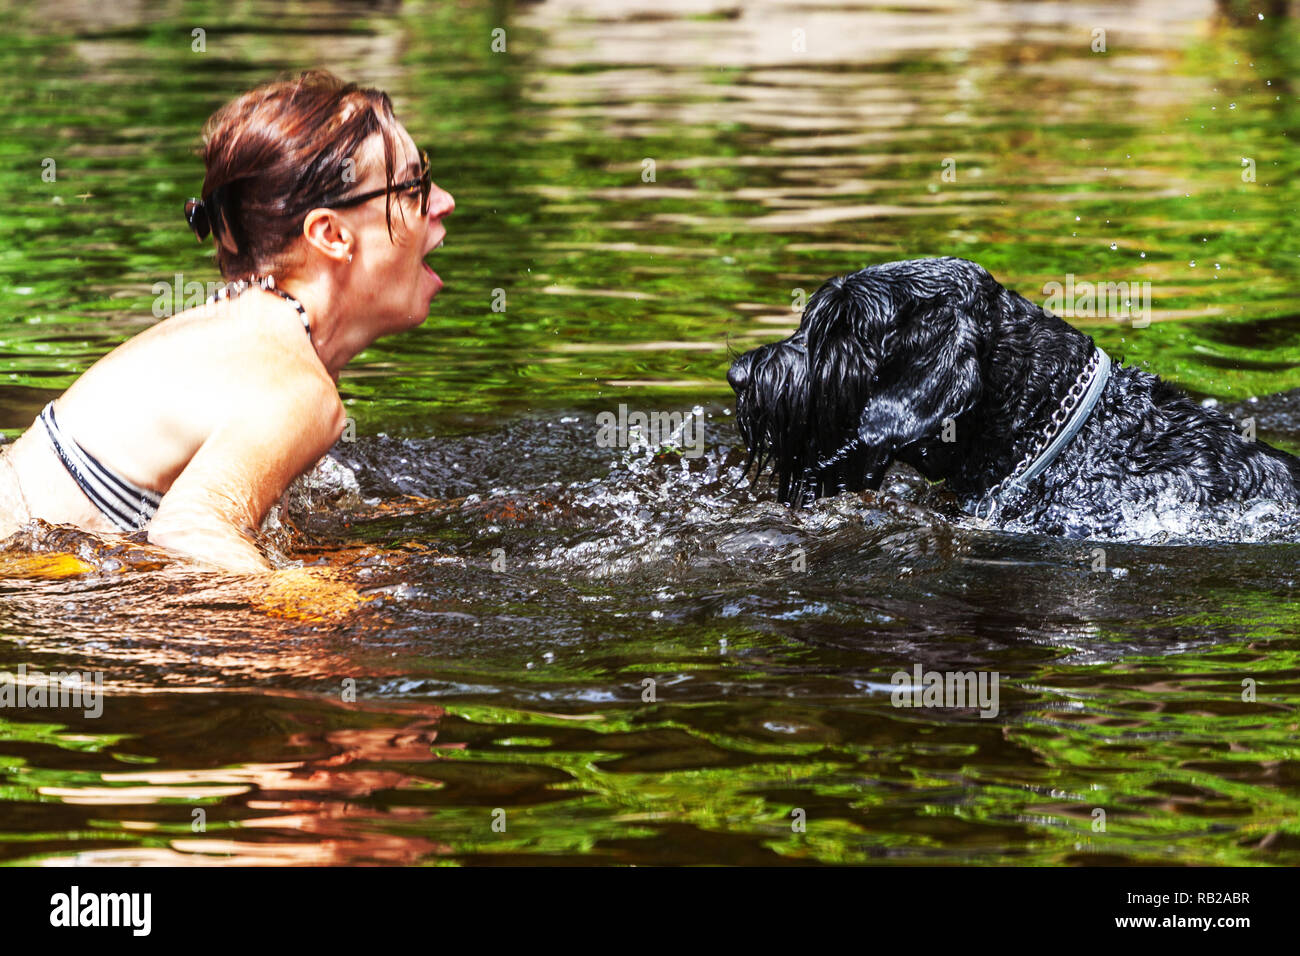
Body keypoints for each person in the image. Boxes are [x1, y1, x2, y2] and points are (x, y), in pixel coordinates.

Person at [0, 70, 454, 573]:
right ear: (330, 233)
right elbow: (191, 530)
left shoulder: (252, 332)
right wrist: (316, 605)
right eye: (415, 187)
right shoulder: (296, 382)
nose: (443, 203)